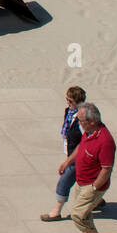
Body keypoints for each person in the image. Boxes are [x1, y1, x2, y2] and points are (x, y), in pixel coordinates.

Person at [60, 102, 115, 233]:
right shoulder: (89, 132)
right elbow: (81, 147)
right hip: (81, 181)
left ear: (92, 121)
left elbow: (106, 169)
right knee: (85, 214)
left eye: (81, 120)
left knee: (77, 215)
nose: (78, 123)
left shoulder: (105, 141)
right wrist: (68, 162)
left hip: (92, 186)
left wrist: (94, 188)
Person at [42, 86, 100, 223]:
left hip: (79, 157)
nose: (68, 103)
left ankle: (56, 211)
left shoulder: (83, 119)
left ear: (79, 103)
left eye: (70, 101)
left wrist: (68, 161)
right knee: (87, 179)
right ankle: (97, 199)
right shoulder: (69, 111)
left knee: (65, 180)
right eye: (67, 99)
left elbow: (86, 141)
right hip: (71, 152)